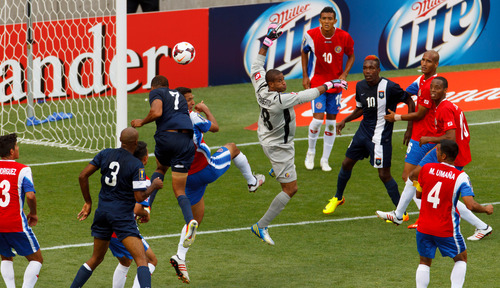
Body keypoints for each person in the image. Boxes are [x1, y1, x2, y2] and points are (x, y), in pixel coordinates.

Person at [250, 22, 347, 245]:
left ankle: (276, 170)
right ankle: (261, 225)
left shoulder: (260, 86)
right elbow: (307, 95)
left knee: (285, 168)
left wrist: (267, 41)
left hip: (266, 136)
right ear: (272, 85)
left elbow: (257, 64)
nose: (284, 83)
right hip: (278, 146)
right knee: (291, 188)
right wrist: (331, 84)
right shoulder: (279, 100)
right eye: (280, 81)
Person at [169, 87, 266, 283]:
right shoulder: (193, 117)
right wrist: (205, 110)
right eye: (189, 99)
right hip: (206, 170)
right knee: (232, 147)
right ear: (181, 102)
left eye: (192, 99)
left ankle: (180, 256)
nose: (192, 101)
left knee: (196, 218)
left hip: (186, 177)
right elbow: (215, 127)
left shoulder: (169, 121)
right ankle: (252, 182)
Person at [378, 76, 493, 240]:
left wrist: (429, 139)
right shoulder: (444, 106)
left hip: (452, 154)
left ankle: (482, 226)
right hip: (443, 149)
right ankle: (398, 214)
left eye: (437, 88)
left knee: (447, 197)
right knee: (413, 175)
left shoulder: (444, 108)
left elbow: (451, 137)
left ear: (445, 90)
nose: (433, 90)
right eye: (432, 87)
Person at [70, 127, 163, 288]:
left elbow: (82, 175)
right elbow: (139, 197)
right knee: (142, 260)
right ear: (135, 142)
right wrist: (154, 185)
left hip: (102, 213)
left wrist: (88, 202)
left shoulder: (105, 154)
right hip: (121, 217)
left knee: (96, 259)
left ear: (121, 140)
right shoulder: (136, 165)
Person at [322, 55, 415, 215]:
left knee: (384, 175)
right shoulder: (360, 86)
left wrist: (409, 128)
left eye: (372, 68)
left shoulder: (390, 87)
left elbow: (410, 101)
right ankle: (338, 197)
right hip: (362, 133)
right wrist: (345, 120)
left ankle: (401, 212)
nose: (368, 71)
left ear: (378, 70)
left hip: (380, 137)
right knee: (346, 164)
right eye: (365, 68)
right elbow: (360, 108)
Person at [412, 139, 493, 288]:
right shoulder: (460, 176)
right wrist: (486, 209)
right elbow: (470, 204)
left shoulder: (427, 168)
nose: (435, 152)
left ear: (443, 156)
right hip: (446, 228)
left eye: (437, 150)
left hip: (423, 227)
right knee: (461, 259)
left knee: (424, 262)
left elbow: (418, 195)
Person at [131, 75, 199, 248]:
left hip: (167, 137)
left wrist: (142, 122)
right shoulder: (179, 97)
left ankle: (146, 208)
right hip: (186, 141)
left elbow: (156, 112)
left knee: (161, 168)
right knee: (179, 190)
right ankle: (190, 220)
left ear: (154, 87)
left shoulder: (156, 92)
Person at [376, 50, 440, 227]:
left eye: (429, 61)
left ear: (436, 65)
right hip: (419, 135)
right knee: (413, 177)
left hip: (424, 136)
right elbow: (405, 93)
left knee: (411, 176)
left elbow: (420, 114)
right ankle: (403, 214)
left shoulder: (430, 86)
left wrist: (396, 117)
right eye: (423, 60)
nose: (424, 63)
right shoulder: (422, 80)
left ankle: (415, 215)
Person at [302, 6, 355, 171]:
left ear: (334, 21)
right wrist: (305, 76)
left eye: (329, 19)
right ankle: (310, 152)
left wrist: (345, 74)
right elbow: (304, 52)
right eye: (323, 18)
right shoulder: (310, 35)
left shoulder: (344, 37)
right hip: (318, 83)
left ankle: (325, 160)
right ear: (320, 20)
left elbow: (351, 55)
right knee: (317, 120)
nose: (326, 21)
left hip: (336, 85)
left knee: (331, 124)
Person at [111, 141, 157, 288]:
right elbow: (137, 209)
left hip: (107, 221)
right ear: (145, 159)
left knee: (125, 262)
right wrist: (146, 214)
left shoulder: (120, 170)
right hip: (124, 228)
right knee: (150, 260)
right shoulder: (143, 178)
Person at [0, 133, 43, 288]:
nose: (18, 148)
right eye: (17, 146)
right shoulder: (23, 170)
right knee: (36, 259)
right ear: (12, 151)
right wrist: (34, 213)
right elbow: (30, 196)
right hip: (15, 223)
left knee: (5, 257)